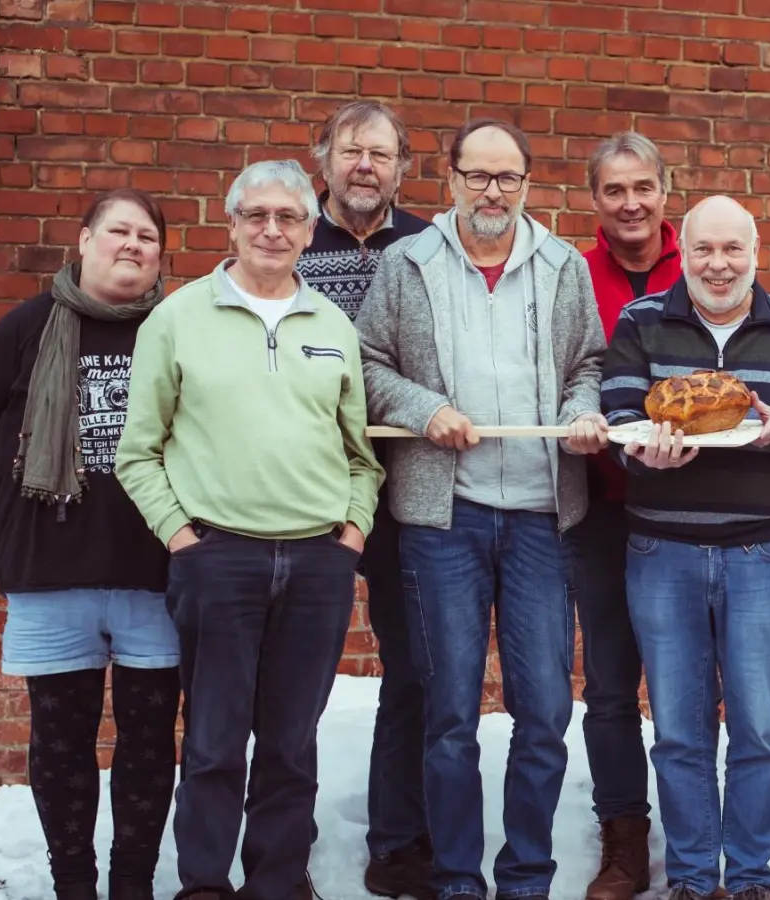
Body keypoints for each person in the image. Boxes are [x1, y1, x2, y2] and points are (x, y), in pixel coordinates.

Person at [116, 159, 385, 900]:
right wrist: (181, 537)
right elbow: (138, 449)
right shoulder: (178, 318)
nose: (273, 229)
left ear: (307, 230)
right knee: (211, 742)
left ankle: (277, 881)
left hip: (318, 562)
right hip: (217, 557)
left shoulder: (332, 324)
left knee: (293, 744)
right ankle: (204, 883)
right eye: (257, 215)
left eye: (289, 217)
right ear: (230, 223)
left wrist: (352, 534)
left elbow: (361, 452)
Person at [356, 118, 608, 900]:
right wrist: (424, 407)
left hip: (539, 516)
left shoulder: (561, 266)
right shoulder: (407, 265)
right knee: (448, 714)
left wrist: (582, 411)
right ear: (450, 178)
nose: (492, 191)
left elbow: (589, 364)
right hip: (445, 518)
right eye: (478, 175)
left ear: (528, 183)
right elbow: (365, 364)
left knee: (541, 713)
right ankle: (458, 878)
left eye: (508, 177)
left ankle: (527, 877)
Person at [601, 195, 770, 900]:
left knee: (756, 729)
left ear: (755, 252)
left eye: (732, 250)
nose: (718, 265)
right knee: (681, 731)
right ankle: (689, 877)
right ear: (681, 253)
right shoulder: (642, 321)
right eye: (703, 250)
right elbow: (619, 414)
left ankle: (747, 879)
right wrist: (641, 451)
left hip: (763, 557)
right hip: (662, 554)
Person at [0, 188, 177, 900]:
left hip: (158, 571)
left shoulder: (181, 329)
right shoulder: (24, 329)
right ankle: (74, 883)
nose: (133, 245)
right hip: (51, 572)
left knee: (147, 743)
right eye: (119, 231)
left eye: (148, 236)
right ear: (83, 241)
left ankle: (132, 885)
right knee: (60, 743)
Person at [297, 99, 434, 900]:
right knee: (294, 681)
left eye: (380, 154)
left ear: (401, 166)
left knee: (413, 666)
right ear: (324, 158)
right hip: (306, 488)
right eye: (351, 150)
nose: (364, 166)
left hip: (406, 482)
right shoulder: (282, 234)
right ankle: (283, 849)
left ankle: (398, 844)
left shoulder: (427, 244)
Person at [575, 131, 682, 900]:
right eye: (614, 190)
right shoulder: (573, 277)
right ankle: (622, 839)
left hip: (688, 513)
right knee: (611, 685)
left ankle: (696, 830)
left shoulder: (706, 263)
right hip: (604, 511)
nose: (630, 203)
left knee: (685, 685)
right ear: (595, 200)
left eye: (642, 186)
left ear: (665, 189)